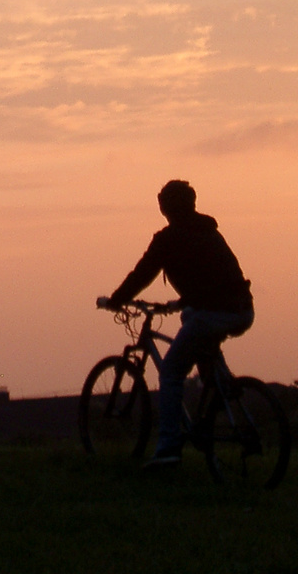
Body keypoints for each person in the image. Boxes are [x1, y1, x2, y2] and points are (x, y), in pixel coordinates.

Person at [97, 179, 253, 467]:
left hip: (213, 312)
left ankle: (168, 448)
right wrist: (180, 302)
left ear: (165, 207)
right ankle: (218, 383)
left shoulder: (168, 239)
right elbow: (213, 278)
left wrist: (116, 300)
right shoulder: (210, 232)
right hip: (241, 310)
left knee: (170, 372)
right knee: (191, 318)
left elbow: (142, 274)